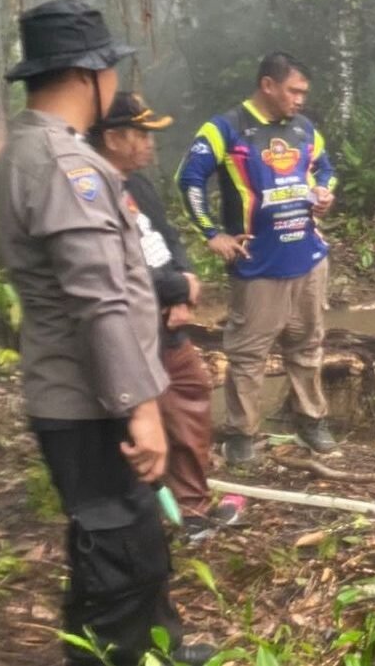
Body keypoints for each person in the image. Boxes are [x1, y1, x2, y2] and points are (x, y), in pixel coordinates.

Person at [0, 0, 211, 666]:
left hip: (89, 391)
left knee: (132, 531)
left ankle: (161, 646)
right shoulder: (65, 165)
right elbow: (99, 300)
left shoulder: (28, 148)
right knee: (116, 549)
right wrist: (139, 408)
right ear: (90, 75)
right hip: (90, 400)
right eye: (111, 68)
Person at [87, 91, 246, 540]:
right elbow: (113, 270)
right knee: (136, 418)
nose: (150, 143)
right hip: (128, 328)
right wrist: (176, 287)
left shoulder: (136, 184)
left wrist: (185, 282)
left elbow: (169, 237)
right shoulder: (91, 191)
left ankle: (191, 509)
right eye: (141, 134)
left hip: (167, 319)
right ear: (113, 138)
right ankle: (145, 514)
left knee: (190, 391)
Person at [176, 52, 338, 466]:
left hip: (308, 258)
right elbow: (189, 178)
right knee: (248, 355)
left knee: (307, 345)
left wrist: (325, 192)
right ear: (268, 85)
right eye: (294, 91)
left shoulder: (304, 129)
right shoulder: (225, 128)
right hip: (258, 264)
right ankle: (242, 434)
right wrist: (212, 233)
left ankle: (311, 421)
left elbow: (326, 169)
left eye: (303, 93)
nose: (300, 100)